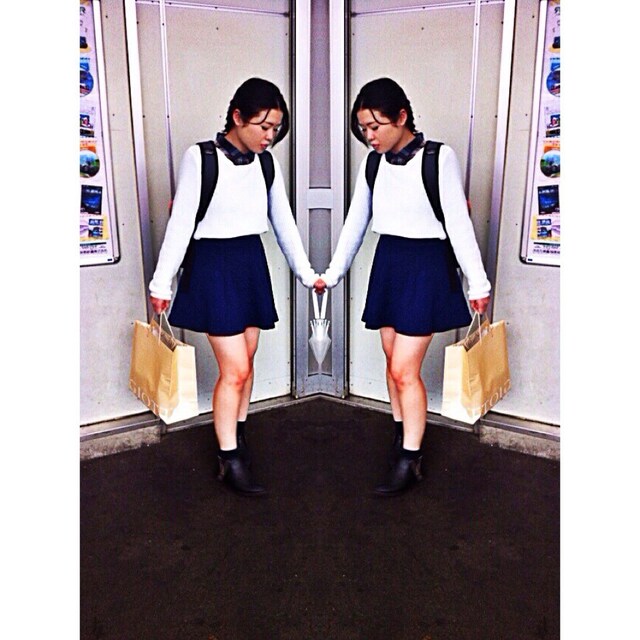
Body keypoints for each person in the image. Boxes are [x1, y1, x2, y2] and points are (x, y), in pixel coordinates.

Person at [314, 78, 491, 496]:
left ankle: (410, 458)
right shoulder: (373, 164)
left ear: (402, 117)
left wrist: (477, 282)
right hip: (389, 262)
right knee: (392, 360)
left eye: (376, 127)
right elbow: (356, 221)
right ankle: (402, 435)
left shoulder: (438, 158)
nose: (369, 136)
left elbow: (458, 222)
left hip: (426, 266)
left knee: (403, 370)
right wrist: (332, 273)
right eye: (363, 129)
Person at [149, 78, 319, 497]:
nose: (269, 136)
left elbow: (283, 220)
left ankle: (237, 434)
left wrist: (306, 272)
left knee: (248, 359)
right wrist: (161, 282)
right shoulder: (201, 158)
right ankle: (230, 458)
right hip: (213, 266)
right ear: (238, 117)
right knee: (236, 369)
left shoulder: (266, 164)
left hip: (249, 263)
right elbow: (181, 222)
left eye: (276, 128)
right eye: (263, 126)